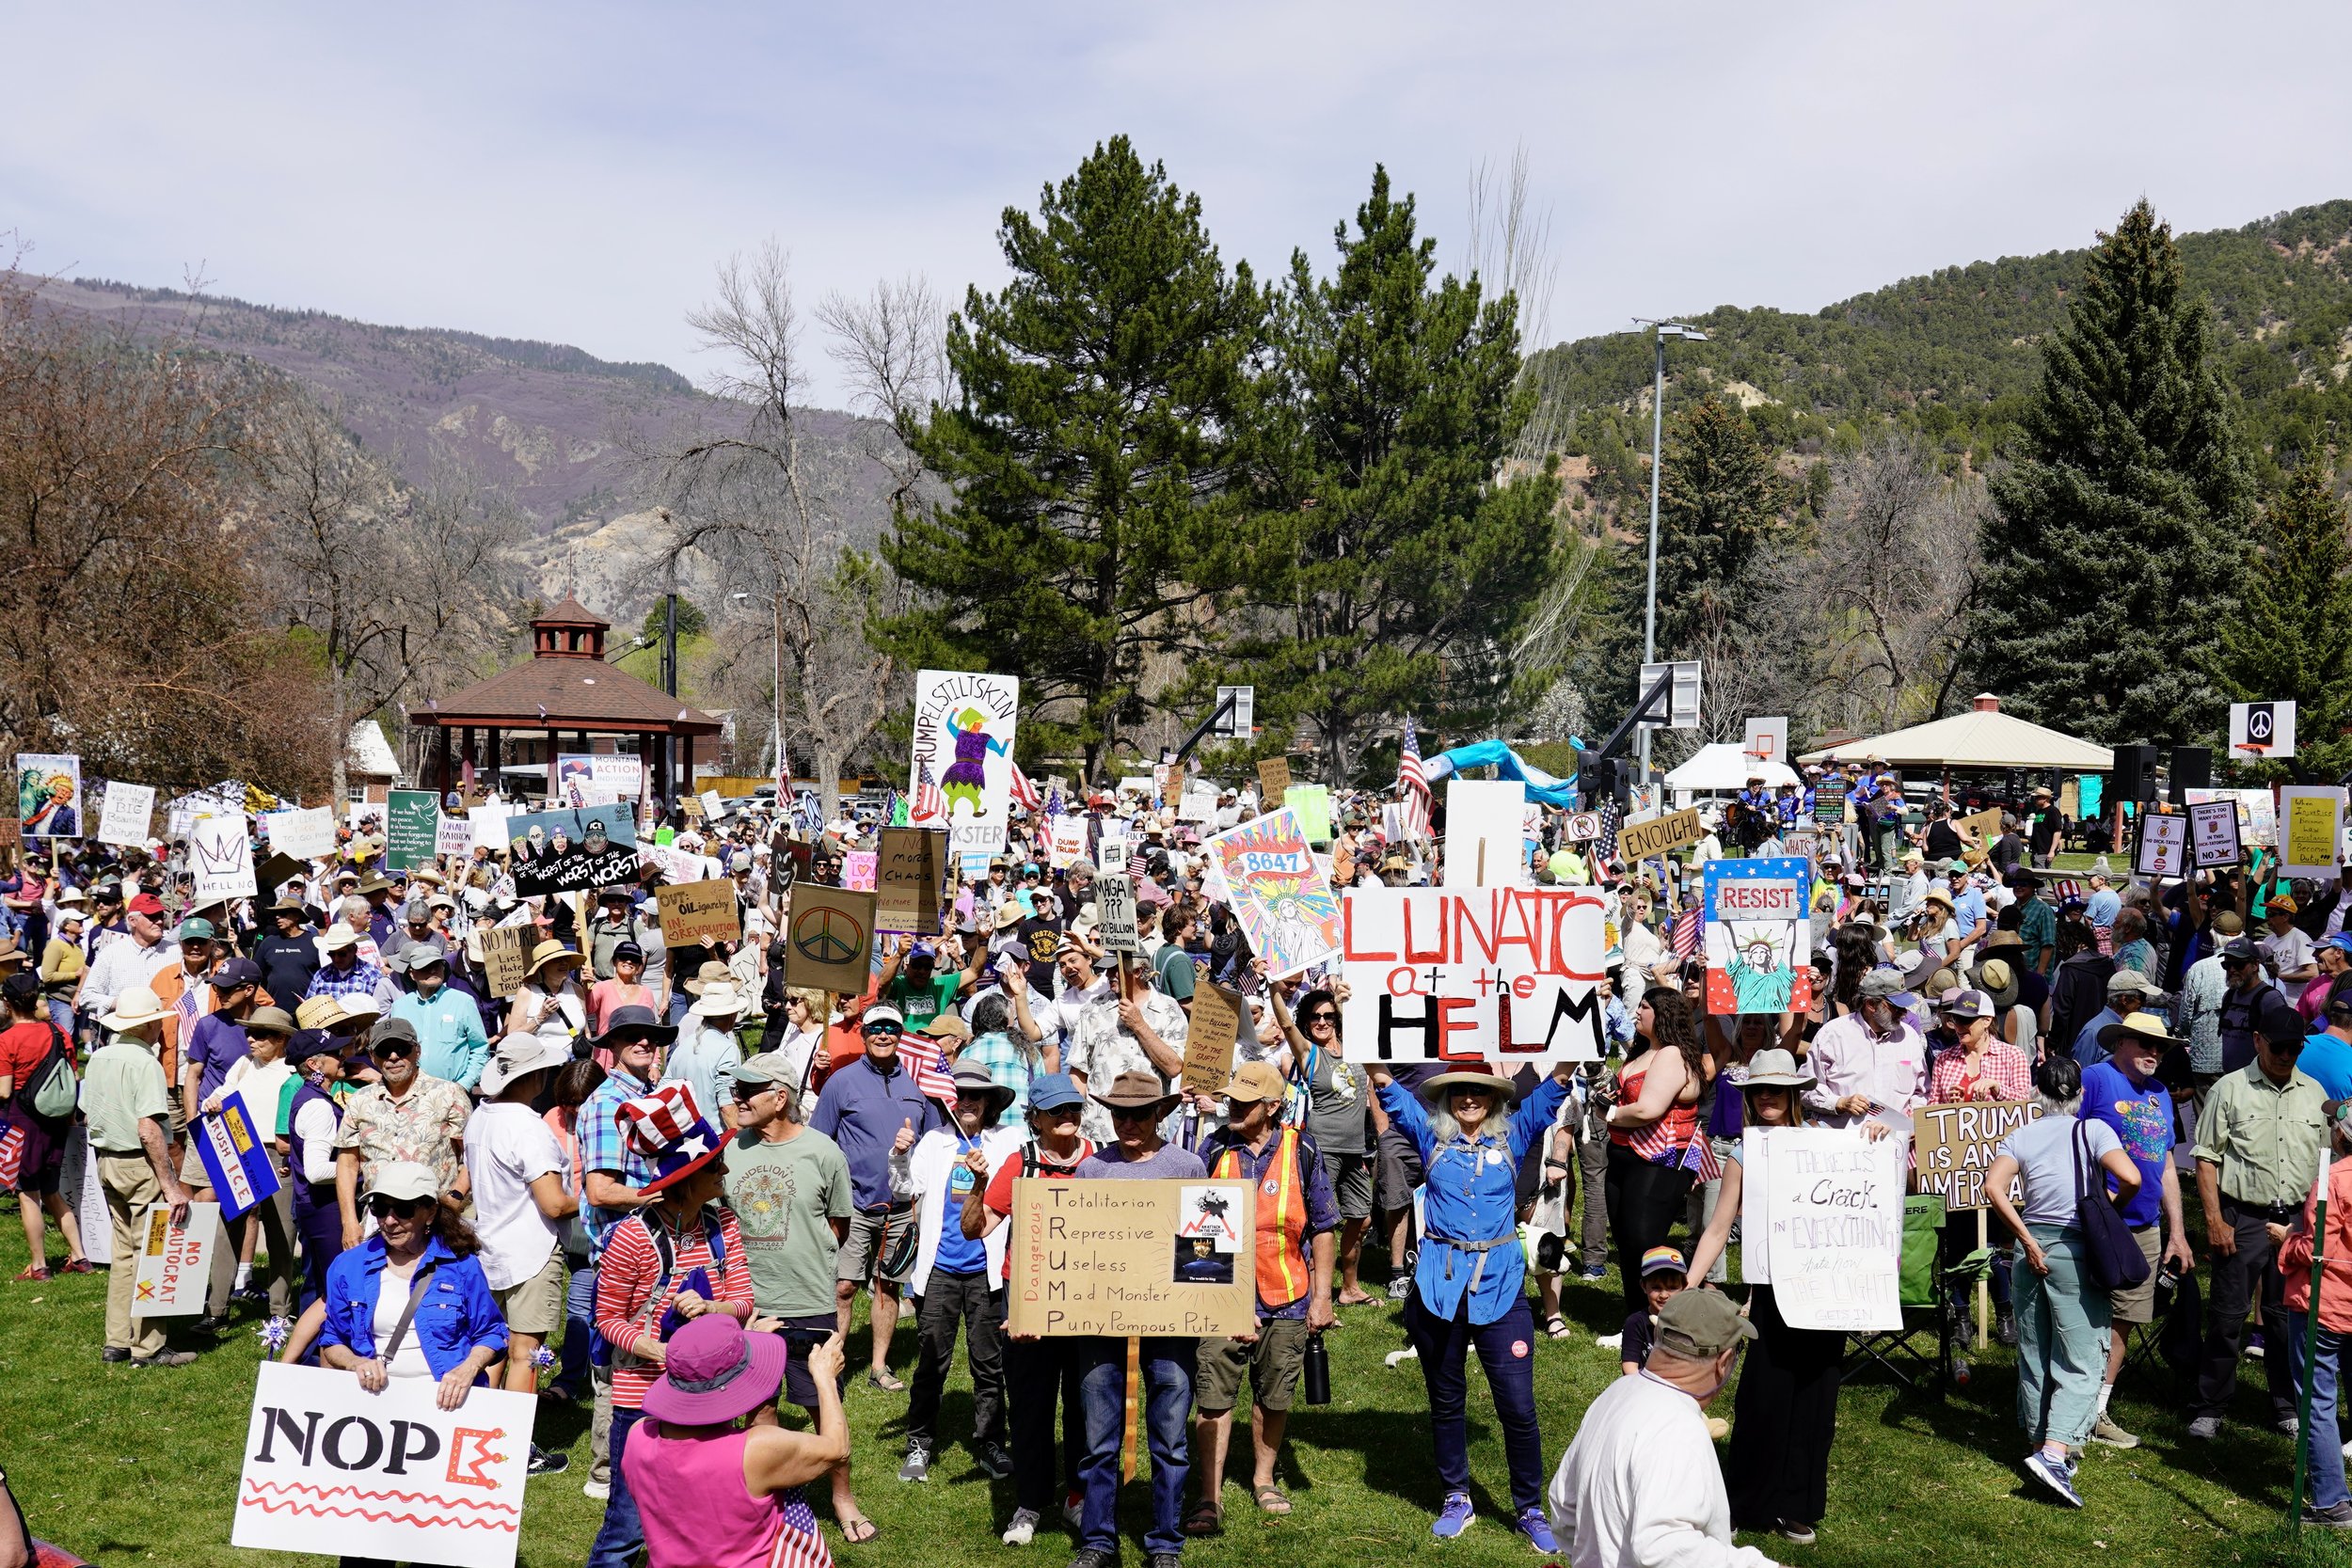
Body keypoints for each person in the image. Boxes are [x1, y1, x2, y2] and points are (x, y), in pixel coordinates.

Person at [1370, 1057, 1568, 1550]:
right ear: (1446, 1098)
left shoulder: (1515, 1134)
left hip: (1502, 1290)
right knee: (1446, 1402)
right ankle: (1456, 1496)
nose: (1469, 1098)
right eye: (1459, 1091)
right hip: (1439, 1289)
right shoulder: (1429, 1136)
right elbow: (1385, 1084)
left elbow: (1557, 1083)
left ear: (1496, 1098)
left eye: (1479, 1091)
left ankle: (1528, 1507)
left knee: (1519, 1408)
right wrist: (1362, 1031)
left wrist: (1571, 1046)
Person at [1684, 1049, 1881, 1543]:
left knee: (1818, 1397)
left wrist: (1877, 1139)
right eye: (1759, 1090)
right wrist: (1688, 1285)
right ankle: (1747, 1501)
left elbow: (1876, 1178)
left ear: (1795, 1093)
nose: (1767, 1097)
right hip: (1774, 1291)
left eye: (1777, 1089)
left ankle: (1799, 1504)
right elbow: (1718, 1226)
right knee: (1762, 1397)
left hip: (1830, 1288)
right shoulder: (1744, 1154)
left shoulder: (1829, 1142)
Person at [318, 1159, 508, 1568]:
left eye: (402, 1209)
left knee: (437, 1541)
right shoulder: (348, 1266)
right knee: (367, 1543)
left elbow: (493, 1333)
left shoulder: (461, 1266)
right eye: (379, 1208)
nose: (389, 1220)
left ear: (429, 1211)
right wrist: (353, 1363)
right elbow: (331, 1338)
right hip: (374, 1421)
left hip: (444, 1416)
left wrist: (469, 1366)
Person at [589, 1101, 755, 1568]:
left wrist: (711, 1306)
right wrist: (657, 1351)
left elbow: (744, 1301)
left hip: (711, 1395)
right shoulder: (632, 1237)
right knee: (627, 1525)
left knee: (702, 1518)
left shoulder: (724, 1224)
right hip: (643, 1397)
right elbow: (607, 1318)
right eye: (713, 1165)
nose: (724, 1169)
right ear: (685, 1180)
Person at [722, 1050, 873, 1544]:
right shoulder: (730, 1150)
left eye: (748, 1090)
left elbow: (838, 1224)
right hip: (751, 1307)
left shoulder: (825, 1152)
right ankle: (768, 1502)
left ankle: (842, 1496)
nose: (736, 1097)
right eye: (736, 1089)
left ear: (779, 1097)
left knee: (822, 1406)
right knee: (760, 1411)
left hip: (809, 1302)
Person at [1185, 1060, 1337, 1533]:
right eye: (1231, 1098)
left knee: (1274, 1396)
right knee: (1213, 1397)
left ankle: (1264, 1479)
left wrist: (1322, 1297)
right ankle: (1209, 1497)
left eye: (1245, 1101)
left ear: (1272, 1108)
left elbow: (1325, 1225)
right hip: (1221, 1297)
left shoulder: (1303, 1149)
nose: (1232, 1105)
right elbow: (1191, 1228)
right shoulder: (1211, 1148)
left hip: (1288, 1296)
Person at [1981, 1055, 2140, 1507]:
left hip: (2029, 1247)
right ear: (2080, 1094)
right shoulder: (2093, 1130)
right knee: (2083, 1355)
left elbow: (1994, 1188)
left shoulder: (2021, 1135)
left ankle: (2037, 1447)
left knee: (2035, 1352)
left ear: (2037, 1091)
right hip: (2074, 1249)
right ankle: (2055, 1454)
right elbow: (2129, 1176)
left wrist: (2027, 1240)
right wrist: (2106, 1203)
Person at [1067, 1070, 1207, 1568]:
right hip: (1102, 1320)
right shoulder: (1092, 1170)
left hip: (1171, 1323)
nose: (1128, 1123)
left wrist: (1211, 1304)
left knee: (1170, 1438)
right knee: (1098, 1438)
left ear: (1160, 1114)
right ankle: (1098, 1541)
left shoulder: (1188, 1166)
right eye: (1119, 1113)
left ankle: (1165, 1543)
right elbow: (1075, 1245)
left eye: (1139, 1114)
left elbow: (1205, 1247)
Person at [2187, 991, 2328, 1441]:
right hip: (2242, 1218)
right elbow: (2205, 1158)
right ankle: (2210, 1404)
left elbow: (2327, 1161)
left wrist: (2312, 1227)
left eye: (2295, 1048)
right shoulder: (2229, 1089)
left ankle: (2286, 1405)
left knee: (2288, 1320)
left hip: (2296, 1224)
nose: (2287, 1055)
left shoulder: (2315, 1095)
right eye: (2279, 1046)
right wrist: (2214, 1220)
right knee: (2229, 1317)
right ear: (2257, 1041)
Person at [1545, 1290, 1772, 1567]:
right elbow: (1661, 1547)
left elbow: (1562, 1503)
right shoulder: (1678, 1429)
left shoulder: (1617, 1392)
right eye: (1738, 1350)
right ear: (1723, 1361)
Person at [963, 1070, 1095, 1546]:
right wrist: (978, 1187)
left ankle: (1079, 1496)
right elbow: (976, 1229)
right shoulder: (1020, 1164)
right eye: (1057, 1110)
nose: (1068, 1117)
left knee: (1085, 1405)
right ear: (1034, 1118)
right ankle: (1031, 1500)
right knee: (1031, 1407)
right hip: (1029, 1304)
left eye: (1074, 1109)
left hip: (1088, 1302)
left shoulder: (1099, 1161)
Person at [620, 1315, 851, 1568]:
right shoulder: (754, 1451)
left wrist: (735, 1349)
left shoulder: (637, 1436)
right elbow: (837, 1449)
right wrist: (826, 1378)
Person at [2076, 1011, 2196, 1449]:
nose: (2154, 1054)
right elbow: (2063, 1135)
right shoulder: (2095, 1078)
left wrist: (2177, 1233)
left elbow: (2165, 1164)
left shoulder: (2161, 1093)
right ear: (2120, 1042)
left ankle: (2096, 1410)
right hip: (2095, 1221)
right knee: (2081, 1313)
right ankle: (2070, 1403)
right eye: (2145, 1044)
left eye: (2160, 1047)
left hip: (2145, 1226)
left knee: (2126, 1316)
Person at [899, 1060, 1023, 1484]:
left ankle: (990, 1442)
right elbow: (904, 1189)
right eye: (962, 1095)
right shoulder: (934, 1141)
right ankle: (919, 1443)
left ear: (990, 1102)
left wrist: (986, 1176)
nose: (967, 1102)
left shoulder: (1008, 1142)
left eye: (976, 1096)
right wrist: (899, 1155)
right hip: (939, 1271)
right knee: (931, 1361)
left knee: (989, 1365)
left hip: (986, 1272)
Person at [809, 1003, 943, 1391]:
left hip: (902, 1206)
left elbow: (934, 1141)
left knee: (888, 1287)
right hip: (851, 1203)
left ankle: (879, 1366)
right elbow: (821, 1142)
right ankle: (833, 1364)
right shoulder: (841, 1081)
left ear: (901, 1036)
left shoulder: (919, 1084)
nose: (884, 1035)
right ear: (864, 1034)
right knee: (844, 1286)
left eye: (892, 1029)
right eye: (875, 1028)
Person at [466, 1032, 579, 1474]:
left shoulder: (482, 1117)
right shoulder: (528, 1127)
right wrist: (596, 1196)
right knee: (525, 1354)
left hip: (488, 1248)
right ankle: (514, 1451)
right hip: (530, 1251)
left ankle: (480, 1437)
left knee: (491, 1349)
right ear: (536, 1076)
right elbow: (554, 1203)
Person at [81, 987, 197, 1367]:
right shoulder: (144, 1062)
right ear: (147, 1025)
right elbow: (148, 1128)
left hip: (107, 1161)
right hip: (138, 1164)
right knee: (152, 1252)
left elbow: (85, 1112)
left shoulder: (98, 1057)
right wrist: (171, 1186)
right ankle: (147, 1346)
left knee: (124, 1253)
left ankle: (117, 1341)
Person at [1600, 988, 1705, 1316]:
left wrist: (1613, 1113)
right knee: (1627, 1242)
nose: (1637, 1011)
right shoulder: (1642, 1051)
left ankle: (1666, 1314)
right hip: (1622, 1155)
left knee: (1643, 1241)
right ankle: (1635, 1319)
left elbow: (1648, 1109)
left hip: (1659, 1160)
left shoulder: (1672, 1054)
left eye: (1645, 1006)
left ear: (1664, 1014)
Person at [1270, 984, 1375, 1305]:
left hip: (1355, 1149)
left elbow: (1365, 1026)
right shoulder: (1309, 1053)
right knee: (1321, 1221)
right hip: (1323, 1149)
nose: (1322, 1021)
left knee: (1362, 1217)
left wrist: (1343, 1001)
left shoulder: (1357, 1047)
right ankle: (1319, 1297)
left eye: (1329, 1016)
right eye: (1315, 1016)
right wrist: (1274, 988)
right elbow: (1286, 1024)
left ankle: (1349, 1288)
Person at [330, 1016, 470, 1251]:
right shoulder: (360, 1100)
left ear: (417, 1051)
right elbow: (347, 1163)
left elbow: (471, 1156)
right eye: (385, 1051)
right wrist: (349, 1221)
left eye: (402, 1049)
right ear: (373, 1057)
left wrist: (454, 1199)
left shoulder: (449, 1093)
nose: (393, 1057)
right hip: (380, 1219)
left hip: (435, 1219)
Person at [2278, 1101, 2352, 1528]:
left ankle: (2331, 1502)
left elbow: (2315, 1250)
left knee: (2317, 1401)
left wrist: (2285, 1241)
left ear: (2340, 1135)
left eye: (2332, 1124)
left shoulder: (2334, 1178)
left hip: (2324, 1304)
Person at [0, 971, 87, 1278]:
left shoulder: (6, 1039)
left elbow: (5, 1091)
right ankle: (79, 1256)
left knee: (28, 1193)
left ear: (7, 1003)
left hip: (22, 1123)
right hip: (57, 1120)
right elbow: (72, 1078)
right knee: (51, 1190)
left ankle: (38, 1265)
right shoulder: (58, 1032)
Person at [1803, 969, 1927, 1130]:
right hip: (1843, 1144)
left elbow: (1922, 1092)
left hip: (1895, 1142)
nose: (1904, 1013)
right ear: (1871, 1005)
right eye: (1895, 1007)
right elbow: (1807, 1089)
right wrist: (1840, 1103)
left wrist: (1912, 1122)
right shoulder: (1833, 1035)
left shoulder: (1909, 1037)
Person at [389, 947, 489, 1093]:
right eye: (425, 967)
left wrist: (463, 1085)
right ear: (412, 974)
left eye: (437, 966)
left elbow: (480, 1048)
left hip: (453, 1092)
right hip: (410, 1093)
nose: (432, 971)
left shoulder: (463, 1002)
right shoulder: (399, 1007)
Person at [667, 980, 748, 1133]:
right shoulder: (727, 1048)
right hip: (712, 1138)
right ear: (732, 1014)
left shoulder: (684, 1045)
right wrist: (740, 1138)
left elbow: (665, 1087)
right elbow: (726, 1103)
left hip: (682, 1133)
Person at [1617, 1247, 1686, 1375]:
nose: (1664, 1295)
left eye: (1672, 1288)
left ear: (1684, 1286)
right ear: (1643, 1286)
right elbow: (1629, 1367)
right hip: (1645, 1386)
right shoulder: (1635, 1322)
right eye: (1656, 1287)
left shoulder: (1690, 1320)